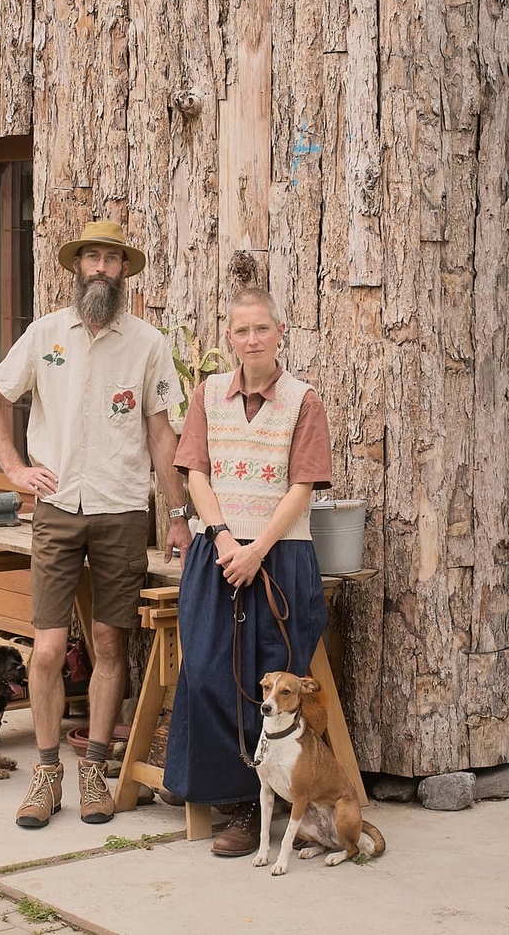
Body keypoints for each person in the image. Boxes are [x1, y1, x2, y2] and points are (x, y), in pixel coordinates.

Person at [0, 219, 192, 829]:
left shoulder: (147, 344)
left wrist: (176, 515)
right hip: (58, 509)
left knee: (108, 642)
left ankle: (94, 767)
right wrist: (15, 469)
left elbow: (160, 434)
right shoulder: (46, 335)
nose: (100, 267)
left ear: (124, 271)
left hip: (122, 510)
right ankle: (47, 774)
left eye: (111, 259)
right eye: (91, 257)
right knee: (45, 650)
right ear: (77, 267)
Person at [164, 285, 333, 858]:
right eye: (242, 331)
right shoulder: (207, 394)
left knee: (271, 674)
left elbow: (302, 487)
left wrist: (257, 548)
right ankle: (231, 798)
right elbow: (195, 475)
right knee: (210, 669)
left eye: (262, 328)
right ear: (230, 338)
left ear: (279, 333)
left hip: (281, 558)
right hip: (219, 554)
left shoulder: (304, 400)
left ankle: (263, 804)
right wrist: (223, 537)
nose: (253, 339)